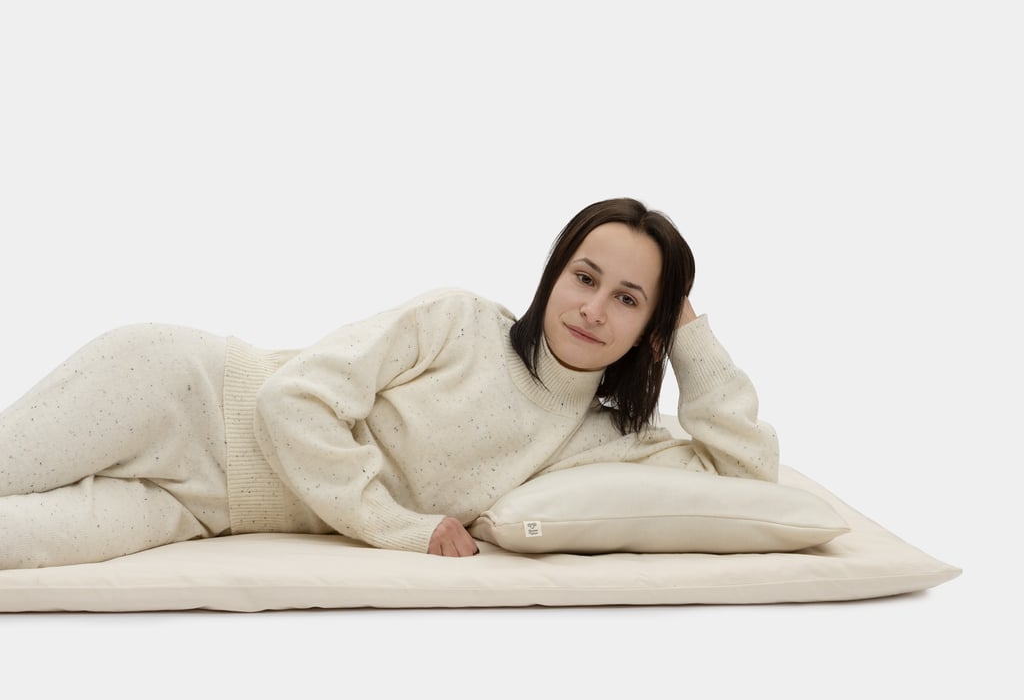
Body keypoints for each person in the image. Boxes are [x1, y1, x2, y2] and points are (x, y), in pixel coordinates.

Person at [0, 197, 778, 568]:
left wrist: (689, 330)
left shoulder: (600, 443)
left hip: (206, 511)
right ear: (554, 275)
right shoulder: (457, 321)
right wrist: (403, 526)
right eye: (585, 276)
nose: (593, 308)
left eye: (629, 299)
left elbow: (745, 473)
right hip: (182, 394)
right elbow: (289, 400)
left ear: (649, 332)